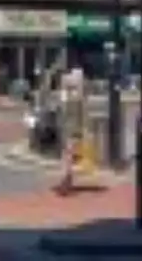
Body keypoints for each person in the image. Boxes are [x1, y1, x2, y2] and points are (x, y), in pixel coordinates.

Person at [54, 67, 86, 195]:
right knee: (68, 153)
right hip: (70, 128)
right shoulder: (74, 96)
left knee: (68, 153)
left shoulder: (70, 96)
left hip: (70, 128)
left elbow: (64, 109)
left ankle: (66, 179)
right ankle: (67, 179)